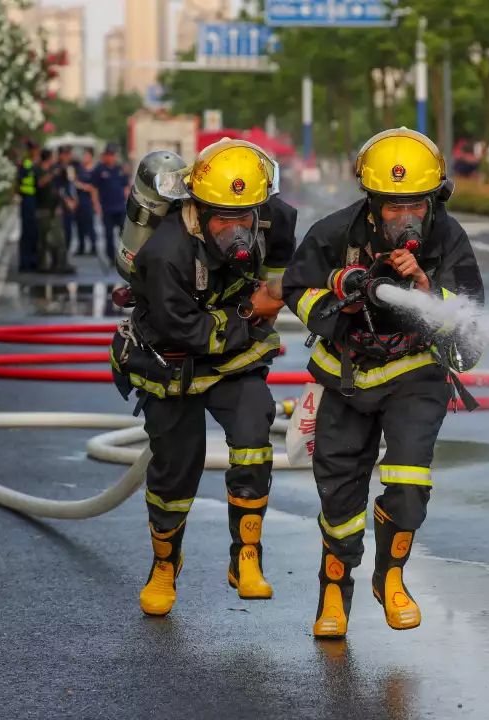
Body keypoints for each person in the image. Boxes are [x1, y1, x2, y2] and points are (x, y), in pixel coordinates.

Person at [281, 128, 484, 639]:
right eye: (391, 207)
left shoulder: (449, 238)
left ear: (433, 198)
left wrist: (424, 288)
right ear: (371, 202)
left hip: (416, 372)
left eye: (414, 204)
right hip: (347, 374)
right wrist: (340, 304)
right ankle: (334, 589)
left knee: (410, 482)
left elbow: (470, 325)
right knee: (339, 495)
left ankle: (390, 578)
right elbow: (295, 288)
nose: (404, 218)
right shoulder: (334, 233)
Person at [110, 139, 297, 616]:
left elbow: (278, 278)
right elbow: (188, 332)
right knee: (177, 468)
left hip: (233, 354)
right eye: (224, 220)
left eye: (245, 219)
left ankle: (247, 557)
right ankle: (164, 565)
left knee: (256, 425)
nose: (237, 231)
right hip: (171, 361)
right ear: (199, 208)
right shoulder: (165, 252)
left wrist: (274, 297)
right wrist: (250, 311)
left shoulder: (275, 220)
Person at [34, 149, 76, 274]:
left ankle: (60, 264)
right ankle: (43, 264)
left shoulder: (55, 170)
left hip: (55, 208)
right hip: (43, 208)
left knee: (59, 238)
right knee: (43, 238)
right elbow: (40, 183)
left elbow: (58, 188)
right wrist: (52, 174)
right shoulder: (38, 170)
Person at [92, 143, 130, 262]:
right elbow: (94, 188)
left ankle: (125, 257)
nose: (111, 157)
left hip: (120, 207)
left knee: (124, 234)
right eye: (109, 155)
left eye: (113, 155)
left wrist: (128, 201)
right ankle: (110, 257)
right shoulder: (99, 169)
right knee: (108, 234)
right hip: (107, 207)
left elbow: (125, 186)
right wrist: (96, 204)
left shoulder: (119, 169)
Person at [16, 140, 39, 272]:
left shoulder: (29, 164)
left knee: (33, 232)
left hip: (31, 200)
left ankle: (31, 260)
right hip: (28, 200)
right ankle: (26, 262)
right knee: (28, 232)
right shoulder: (28, 164)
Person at [72, 148, 99, 256]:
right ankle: (81, 246)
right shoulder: (79, 169)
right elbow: (74, 181)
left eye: (87, 156)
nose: (85, 158)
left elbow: (95, 187)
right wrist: (83, 186)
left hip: (88, 201)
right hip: (79, 199)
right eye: (84, 156)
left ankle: (93, 246)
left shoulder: (94, 170)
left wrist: (96, 202)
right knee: (79, 224)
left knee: (89, 224)